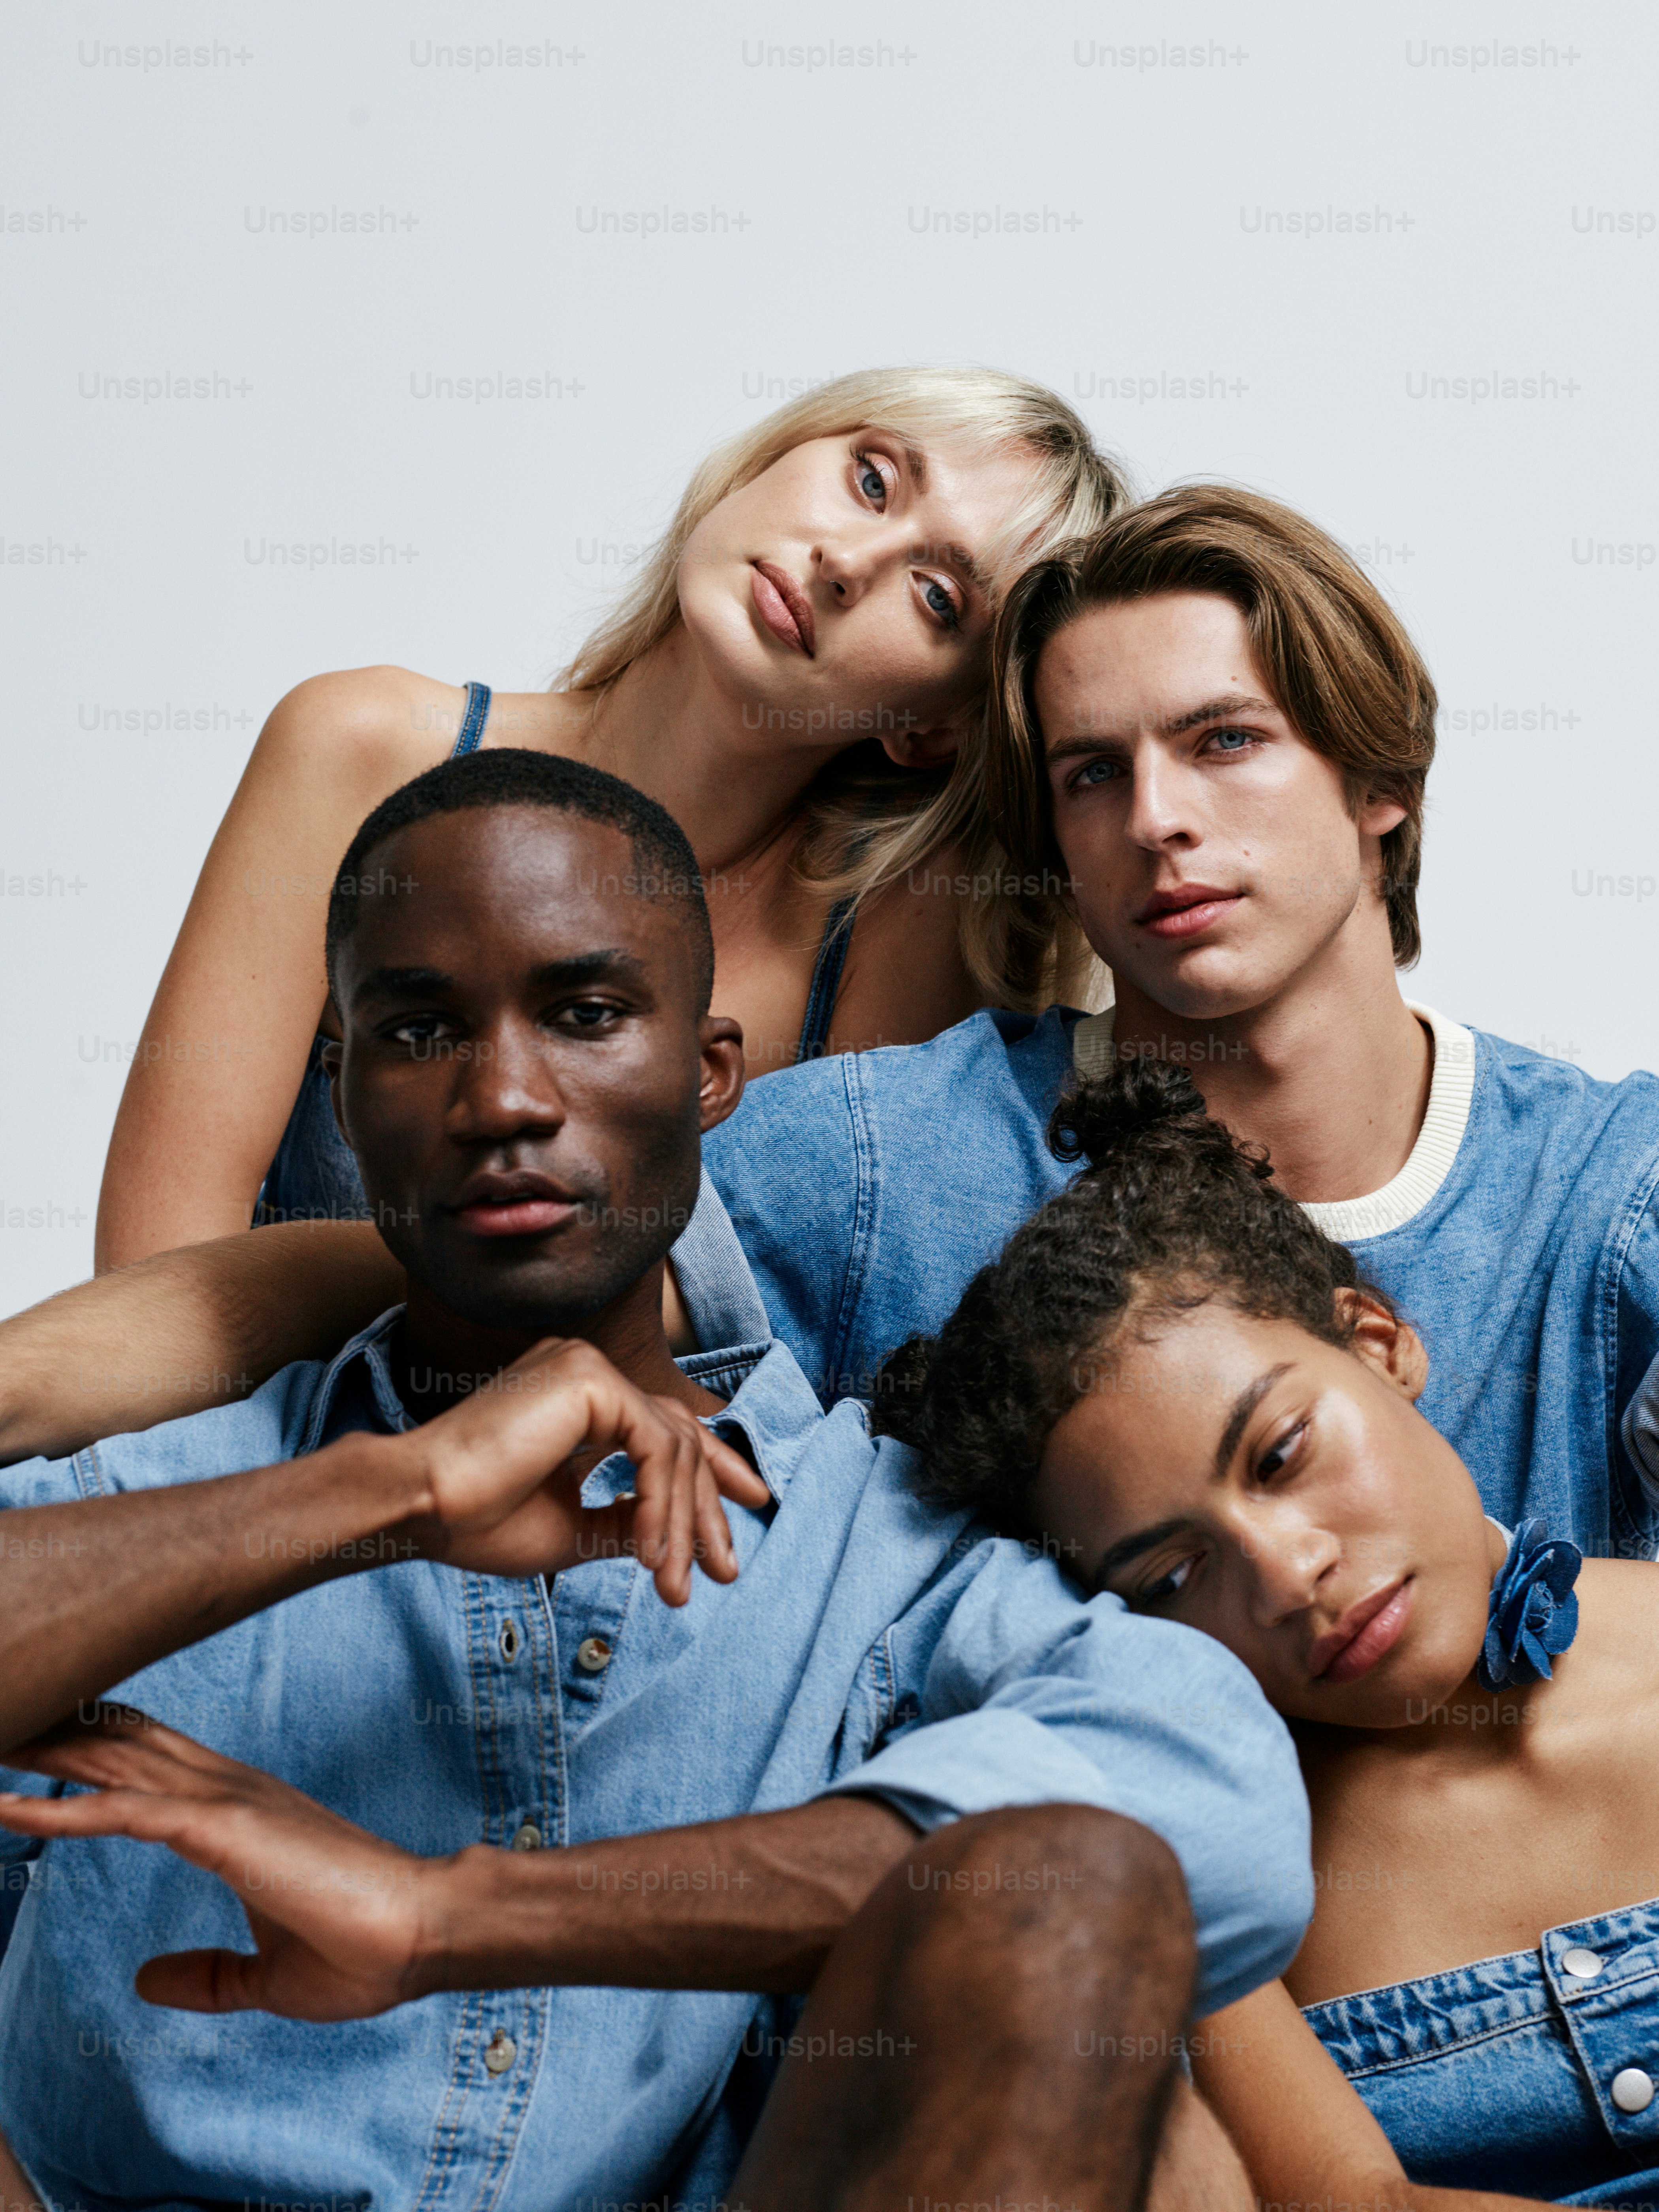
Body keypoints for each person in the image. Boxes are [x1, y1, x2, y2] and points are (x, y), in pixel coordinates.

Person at [0, 749, 1307, 2210]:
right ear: (348, 1093)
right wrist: (383, 1494)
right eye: (419, 1029)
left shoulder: (878, 1560)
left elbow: (1219, 1815)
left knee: (1075, 1899)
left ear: (709, 1074)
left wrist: (456, 1915)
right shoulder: (148, 1503)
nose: (502, 1097)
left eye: (585, 1015)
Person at [94, 367, 1124, 1272]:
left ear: (932, 731)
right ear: (772, 456)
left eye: (939, 595)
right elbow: (153, 1278)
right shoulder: (360, 751)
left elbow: (816, 1336)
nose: (849, 563)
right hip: (255, 1468)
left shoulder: (890, 938)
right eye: (871, 479)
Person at [877, 1055, 1659, 2210]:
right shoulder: (1207, 1873)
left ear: (1380, 1344)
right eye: (1178, 1574)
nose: (1288, 1577)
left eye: (1282, 1454)